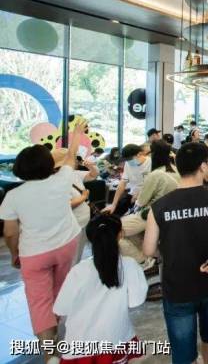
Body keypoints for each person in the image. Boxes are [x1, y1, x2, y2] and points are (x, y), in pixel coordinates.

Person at [0, 122, 87, 362]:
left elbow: (10, 232)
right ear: (49, 164)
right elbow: (71, 156)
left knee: (39, 302)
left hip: (34, 253)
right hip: (66, 244)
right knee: (59, 291)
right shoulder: (61, 180)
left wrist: (15, 253)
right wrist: (77, 134)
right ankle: (55, 333)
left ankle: (50, 354)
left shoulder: (13, 196)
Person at [143, 142, 208, 364]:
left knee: (183, 348)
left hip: (178, 284)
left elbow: (148, 249)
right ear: (203, 166)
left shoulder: (159, 206)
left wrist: (169, 252)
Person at [53, 214, 148, 363]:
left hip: (80, 345)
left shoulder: (78, 271)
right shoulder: (129, 265)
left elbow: (61, 308)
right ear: (121, 234)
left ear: (91, 239)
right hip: (116, 337)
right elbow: (136, 301)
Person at [119, 139, 179, 272]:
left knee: (112, 231)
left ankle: (143, 260)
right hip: (169, 215)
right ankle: (150, 255)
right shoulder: (176, 170)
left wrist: (137, 198)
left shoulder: (155, 174)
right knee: (133, 232)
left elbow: (140, 202)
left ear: (153, 155)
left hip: (152, 214)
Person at [49, 148, 98, 264]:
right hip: (71, 225)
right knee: (71, 257)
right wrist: (83, 197)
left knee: (77, 253)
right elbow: (65, 205)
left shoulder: (73, 174)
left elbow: (94, 175)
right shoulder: (54, 181)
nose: (76, 161)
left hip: (82, 221)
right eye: (73, 159)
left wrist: (91, 166)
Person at [103, 143, 151, 216]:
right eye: (126, 160)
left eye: (130, 159)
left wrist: (140, 194)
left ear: (139, 154)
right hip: (133, 194)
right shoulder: (128, 164)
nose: (128, 162)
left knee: (134, 214)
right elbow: (123, 183)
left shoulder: (151, 162)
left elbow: (152, 184)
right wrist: (113, 204)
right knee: (113, 213)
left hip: (147, 195)